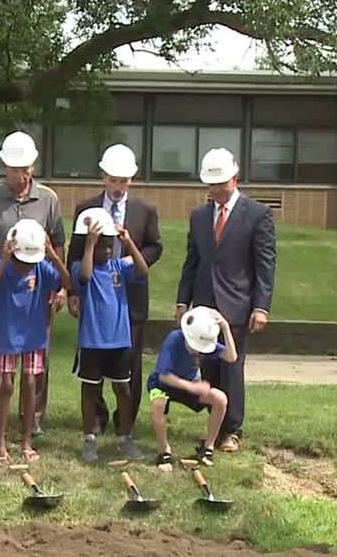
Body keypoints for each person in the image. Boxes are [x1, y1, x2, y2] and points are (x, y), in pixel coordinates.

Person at [175, 147, 277, 454]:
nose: (217, 190)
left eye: (222, 184)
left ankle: (233, 430)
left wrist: (261, 306)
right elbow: (191, 261)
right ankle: (215, 428)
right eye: (212, 185)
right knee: (208, 367)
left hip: (237, 306)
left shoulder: (258, 214)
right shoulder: (199, 216)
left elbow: (265, 264)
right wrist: (183, 301)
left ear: (236, 177)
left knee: (232, 367)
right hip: (204, 305)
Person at [0, 130, 67, 439]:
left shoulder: (48, 199)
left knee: (38, 355)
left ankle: (32, 416)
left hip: (38, 288)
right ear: (3, 167)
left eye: (24, 168)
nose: (19, 174)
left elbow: (58, 245)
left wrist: (61, 289)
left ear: (33, 166)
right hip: (0, 287)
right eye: (13, 168)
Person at [67, 144, 163, 434]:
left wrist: (133, 259)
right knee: (93, 363)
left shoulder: (145, 211)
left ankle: (126, 425)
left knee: (128, 366)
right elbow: (75, 251)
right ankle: (95, 420)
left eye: (125, 181)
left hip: (130, 300)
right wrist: (73, 292)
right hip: (95, 296)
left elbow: (155, 247)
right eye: (114, 180)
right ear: (103, 177)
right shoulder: (85, 209)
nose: (119, 187)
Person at [0, 219, 70, 464]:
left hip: (34, 335)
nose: (25, 268)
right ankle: (1, 442)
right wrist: (3, 261)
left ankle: (26, 442)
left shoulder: (42, 267)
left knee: (31, 383)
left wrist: (53, 255)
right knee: (7, 385)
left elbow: (67, 283)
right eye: (21, 262)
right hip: (8, 335)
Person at [71, 208, 149, 462]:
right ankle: (89, 438)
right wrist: (90, 246)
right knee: (91, 391)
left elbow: (142, 271)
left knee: (122, 389)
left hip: (119, 340)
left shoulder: (118, 266)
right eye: (102, 246)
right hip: (93, 341)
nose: (107, 250)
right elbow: (83, 276)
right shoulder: (82, 267)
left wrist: (128, 243)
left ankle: (125, 437)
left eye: (109, 246)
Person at [146, 306, 238, 472]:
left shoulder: (206, 343)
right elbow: (163, 376)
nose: (199, 351)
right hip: (163, 386)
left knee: (220, 399)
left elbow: (232, 357)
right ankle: (164, 451)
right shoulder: (174, 339)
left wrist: (225, 327)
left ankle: (208, 448)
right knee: (157, 405)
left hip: (190, 385)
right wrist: (192, 387)